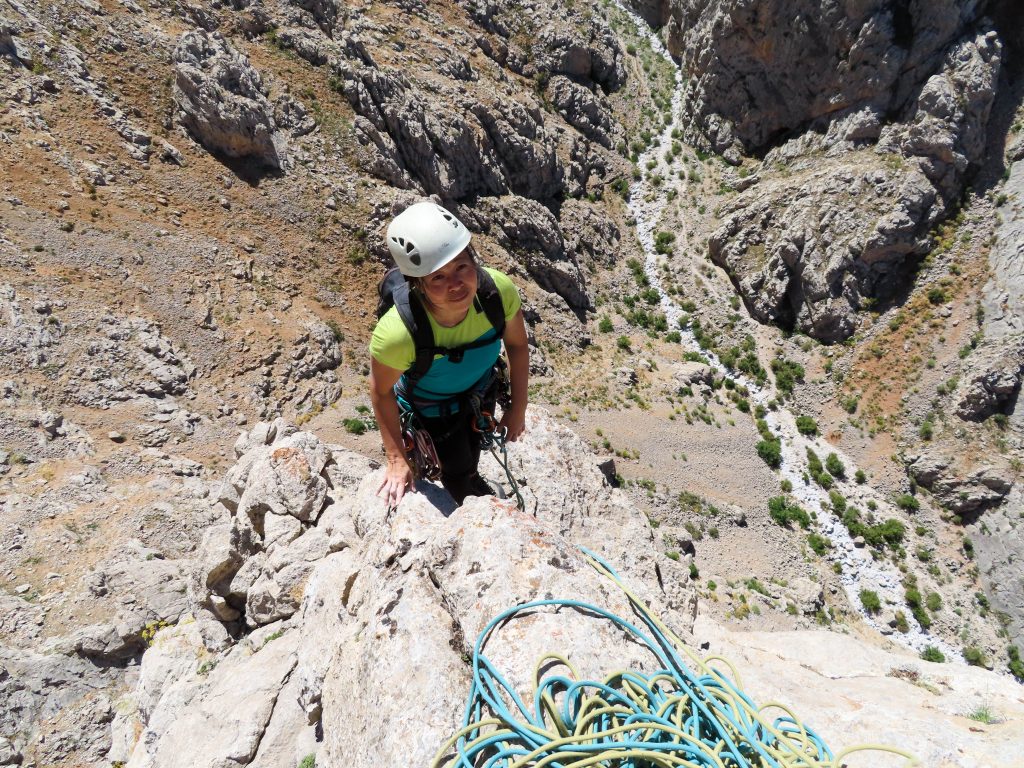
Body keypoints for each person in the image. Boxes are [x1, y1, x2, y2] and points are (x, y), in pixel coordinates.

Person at [369, 201, 530, 509]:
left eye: (461, 267)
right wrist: (396, 458)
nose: (456, 284)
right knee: (456, 471)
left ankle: (472, 478)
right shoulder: (398, 334)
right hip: (431, 409)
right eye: (438, 278)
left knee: (472, 450)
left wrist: (518, 407)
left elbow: (517, 346)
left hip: (482, 389)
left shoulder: (498, 293)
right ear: (418, 285)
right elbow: (380, 390)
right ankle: (474, 504)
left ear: (474, 261)